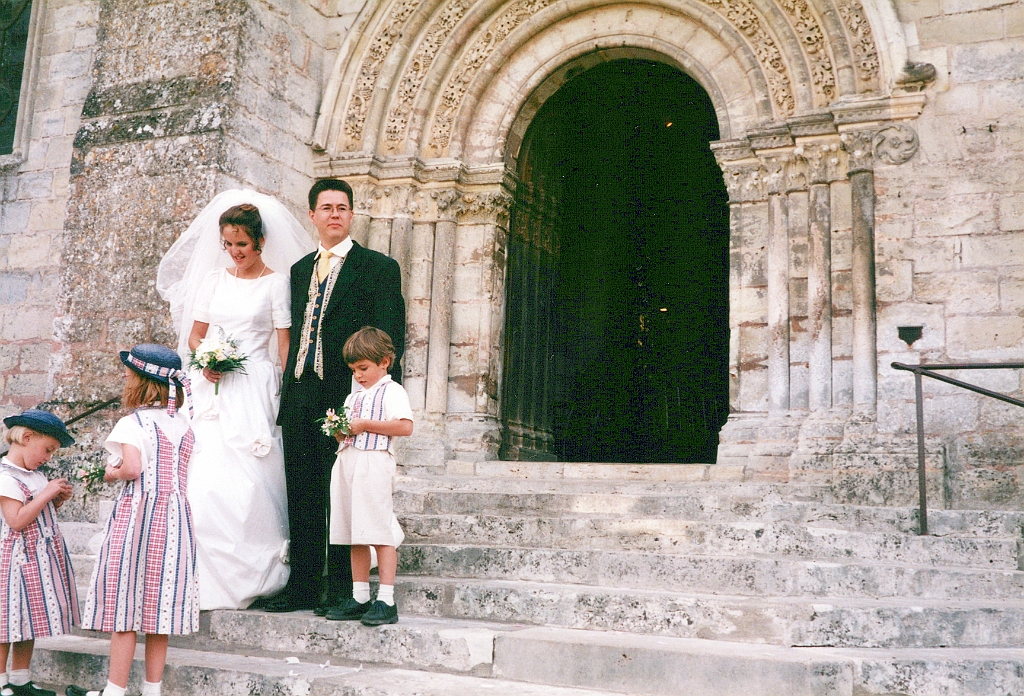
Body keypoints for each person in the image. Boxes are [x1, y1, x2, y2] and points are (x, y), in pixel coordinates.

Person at [155, 190, 314, 610]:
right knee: (203, 480)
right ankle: (196, 573)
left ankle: (252, 569)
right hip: (211, 387)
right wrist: (205, 358)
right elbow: (195, 334)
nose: (234, 252)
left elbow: (284, 343)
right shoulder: (213, 280)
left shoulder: (277, 283)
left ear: (259, 241)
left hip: (253, 387)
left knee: (249, 480)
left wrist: (290, 391)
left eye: (241, 244)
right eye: (227, 244)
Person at [269, 178, 406, 613]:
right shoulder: (298, 270)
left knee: (343, 494)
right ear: (312, 215)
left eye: (342, 208)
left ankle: (345, 590)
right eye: (325, 207)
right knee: (302, 491)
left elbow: (389, 337)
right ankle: (303, 586)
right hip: (300, 394)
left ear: (351, 215)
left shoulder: (377, 267)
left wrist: (379, 398)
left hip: (346, 397)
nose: (334, 214)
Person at [67, 344, 198, 696]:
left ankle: (115, 689)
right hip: (175, 518)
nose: (124, 380)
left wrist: (111, 472)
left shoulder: (133, 422)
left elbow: (133, 468)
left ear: (141, 383)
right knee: (160, 606)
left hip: (138, 516)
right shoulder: (184, 424)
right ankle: (152, 689)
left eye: (128, 376)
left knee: (125, 603)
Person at [325, 327, 412, 625]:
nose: (359, 375)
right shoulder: (354, 397)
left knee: (378, 529)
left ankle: (386, 600)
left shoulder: (393, 391)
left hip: (374, 461)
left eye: (363, 368)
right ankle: (360, 595)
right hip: (348, 461)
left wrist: (365, 425)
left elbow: (404, 426)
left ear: (385, 361)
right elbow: (346, 432)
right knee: (355, 531)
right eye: (354, 370)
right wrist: (339, 430)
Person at [0, 410, 77, 696]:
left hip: (37, 559)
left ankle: (20, 679)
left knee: (29, 619)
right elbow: (17, 520)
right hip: (13, 562)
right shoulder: (5, 476)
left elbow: (37, 515)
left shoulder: (35, 476)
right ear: (26, 437)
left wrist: (54, 501)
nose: (48, 458)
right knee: (6, 622)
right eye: (47, 450)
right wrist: (45, 493)